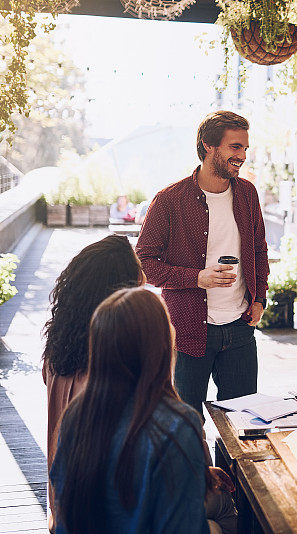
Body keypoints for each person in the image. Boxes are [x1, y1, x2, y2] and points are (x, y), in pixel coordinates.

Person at [50, 288, 234, 534]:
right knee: (222, 518)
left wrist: (195, 474)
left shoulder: (77, 413)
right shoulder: (177, 423)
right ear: (159, 345)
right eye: (169, 321)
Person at [136, 111, 269, 416]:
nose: (242, 156)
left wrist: (260, 299)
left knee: (243, 421)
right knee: (185, 423)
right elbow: (145, 263)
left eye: (245, 149)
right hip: (188, 331)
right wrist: (197, 278)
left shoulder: (247, 194)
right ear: (208, 145)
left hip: (240, 328)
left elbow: (259, 250)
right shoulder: (169, 200)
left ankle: (229, 468)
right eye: (235, 147)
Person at [42, 235, 144, 526]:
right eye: (137, 266)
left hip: (62, 501)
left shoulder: (59, 346)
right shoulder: (115, 359)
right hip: (104, 509)